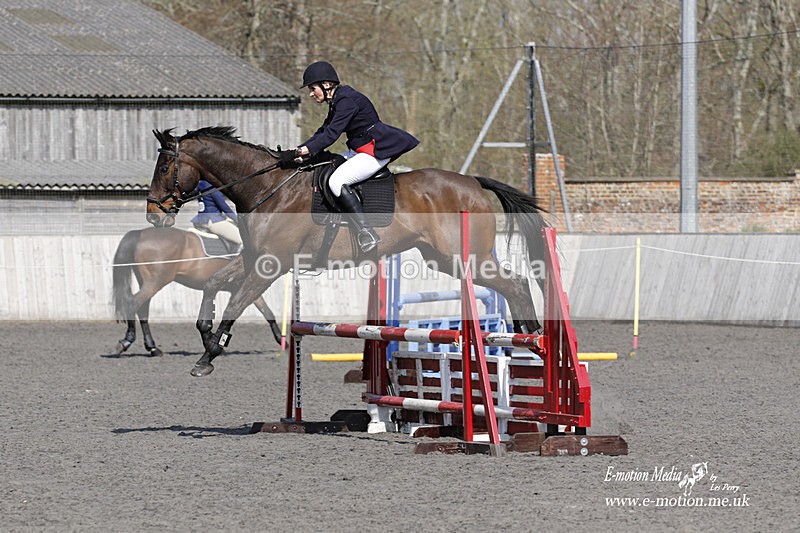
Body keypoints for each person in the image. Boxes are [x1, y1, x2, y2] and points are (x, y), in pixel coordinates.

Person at [280, 60, 419, 253]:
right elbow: (323, 131)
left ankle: (366, 232)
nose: (311, 93)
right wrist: (298, 150)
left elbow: (331, 135)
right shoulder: (337, 100)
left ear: (326, 85)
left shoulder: (347, 101)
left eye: (313, 89)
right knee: (326, 166)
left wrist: (301, 152)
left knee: (336, 182)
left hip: (374, 151)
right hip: (359, 150)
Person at [191, 179, 242, 251]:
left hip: (200, 219)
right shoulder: (213, 188)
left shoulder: (200, 184)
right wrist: (238, 220)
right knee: (241, 239)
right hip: (213, 220)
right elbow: (225, 208)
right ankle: (234, 259)